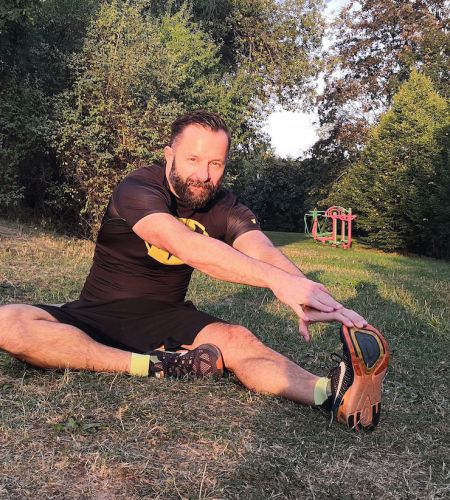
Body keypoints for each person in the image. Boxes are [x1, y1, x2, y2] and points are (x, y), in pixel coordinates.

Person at [0, 111, 389, 431]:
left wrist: (312, 294)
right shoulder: (138, 187)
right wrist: (276, 283)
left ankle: (333, 393)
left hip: (166, 318)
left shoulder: (224, 205)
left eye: (215, 164)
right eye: (192, 160)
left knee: (239, 340)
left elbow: (262, 250)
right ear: (169, 155)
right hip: (96, 313)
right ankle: (157, 365)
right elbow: (185, 244)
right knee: (7, 323)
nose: (203, 174)